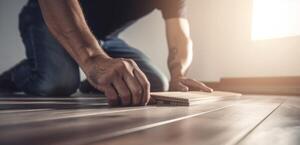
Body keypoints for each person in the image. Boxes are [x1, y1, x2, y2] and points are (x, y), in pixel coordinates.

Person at [0, 0, 213, 106]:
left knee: (155, 83)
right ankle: (14, 76)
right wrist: (92, 59)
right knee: (59, 82)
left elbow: (180, 35)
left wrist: (179, 74)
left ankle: (90, 81)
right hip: (46, 16)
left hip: (102, 38)